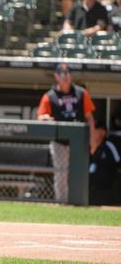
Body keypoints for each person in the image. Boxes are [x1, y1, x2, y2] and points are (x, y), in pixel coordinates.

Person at [37, 63, 96, 204]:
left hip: (79, 142)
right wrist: (45, 118)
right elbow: (40, 116)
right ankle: (62, 203)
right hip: (59, 141)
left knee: (79, 173)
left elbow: (89, 117)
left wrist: (92, 140)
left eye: (68, 73)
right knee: (61, 173)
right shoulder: (50, 96)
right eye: (62, 74)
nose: (66, 77)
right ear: (56, 76)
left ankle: (79, 202)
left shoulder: (81, 93)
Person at [89, 121, 120, 205]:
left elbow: (117, 163)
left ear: (102, 132)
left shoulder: (109, 145)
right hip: (89, 189)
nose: (92, 132)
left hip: (105, 190)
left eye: (94, 130)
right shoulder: (87, 146)